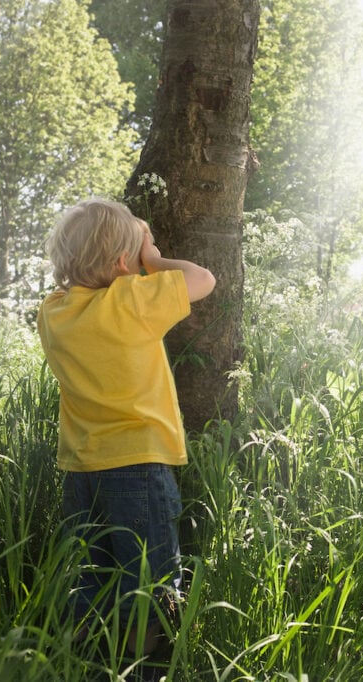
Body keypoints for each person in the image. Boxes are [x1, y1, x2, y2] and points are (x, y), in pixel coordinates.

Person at [36, 198, 216, 655]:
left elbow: (86, 282)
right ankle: (149, 668)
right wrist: (153, 259)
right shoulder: (130, 300)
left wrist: (132, 249)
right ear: (123, 263)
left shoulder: (53, 313)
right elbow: (204, 280)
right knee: (152, 581)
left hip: (81, 468)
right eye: (140, 253)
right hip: (139, 463)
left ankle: (84, 660)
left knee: (91, 576)